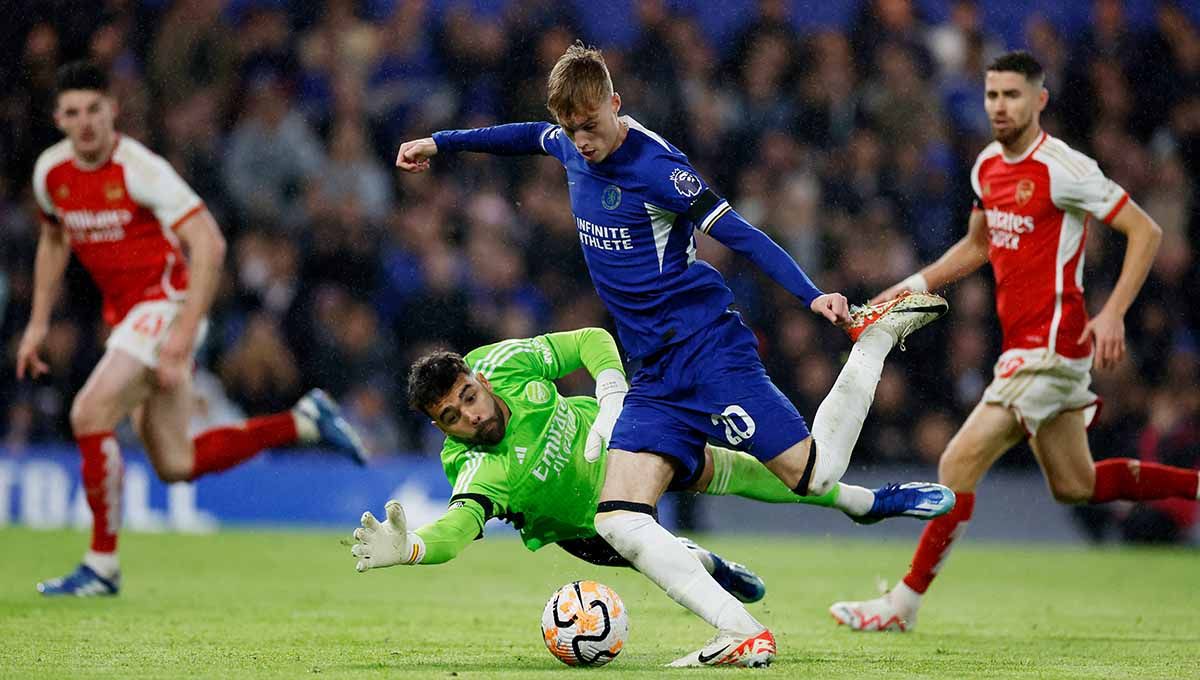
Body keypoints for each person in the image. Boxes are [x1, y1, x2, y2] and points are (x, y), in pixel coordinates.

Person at [395, 43, 953, 666]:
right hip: (653, 372)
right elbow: (524, 135)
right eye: (571, 130)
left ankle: (873, 342)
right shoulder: (567, 142)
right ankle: (743, 633)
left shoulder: (658, 168)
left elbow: (739, 233)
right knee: (617, 520)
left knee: (813, 475)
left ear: (616, 102)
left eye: (591, 126)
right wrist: (441, 143)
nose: (581, 141)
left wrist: (812, 294)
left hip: (706, 348)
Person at [829, 51, 1199, 632]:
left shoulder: (1064, 167)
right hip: (1026, 348)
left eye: (1012, 96)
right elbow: (978, 245)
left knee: (956, 463)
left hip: (1051, 346)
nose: (1000, 106)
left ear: (1039, 100)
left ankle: (902, 605)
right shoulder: (986, 168)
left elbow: (1145, 231)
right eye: (992, 95)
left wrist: (1114, 314)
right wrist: (911, 285)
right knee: (1076, 484)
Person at [18, 61, 368, 597]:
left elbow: (209, 242)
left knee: (88, 412)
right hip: (127, 320)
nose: (85, 122)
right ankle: (301, 422)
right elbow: (52, 240)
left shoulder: (140, 168)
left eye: (94, 108)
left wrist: (182, 335)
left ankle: (101, 566)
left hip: (167, 305)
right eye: (72, 112)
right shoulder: (51, 174)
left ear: (112, 109)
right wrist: (38, 322)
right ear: (58, 117)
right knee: (177, 464)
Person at [350, 328, 958, 603]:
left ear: (478, 379)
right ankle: (706, 562)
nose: (471, 416)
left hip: (626, 445)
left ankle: (868, 503)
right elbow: (456, 531)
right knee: (668, 560)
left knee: (742, 469)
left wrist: (611, 391)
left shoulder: (503, 361)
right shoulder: (477, 471)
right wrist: (410, 551)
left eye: (468, 397)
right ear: (439, 429)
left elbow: (589, 340)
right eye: (452, 417)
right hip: (590, 528)